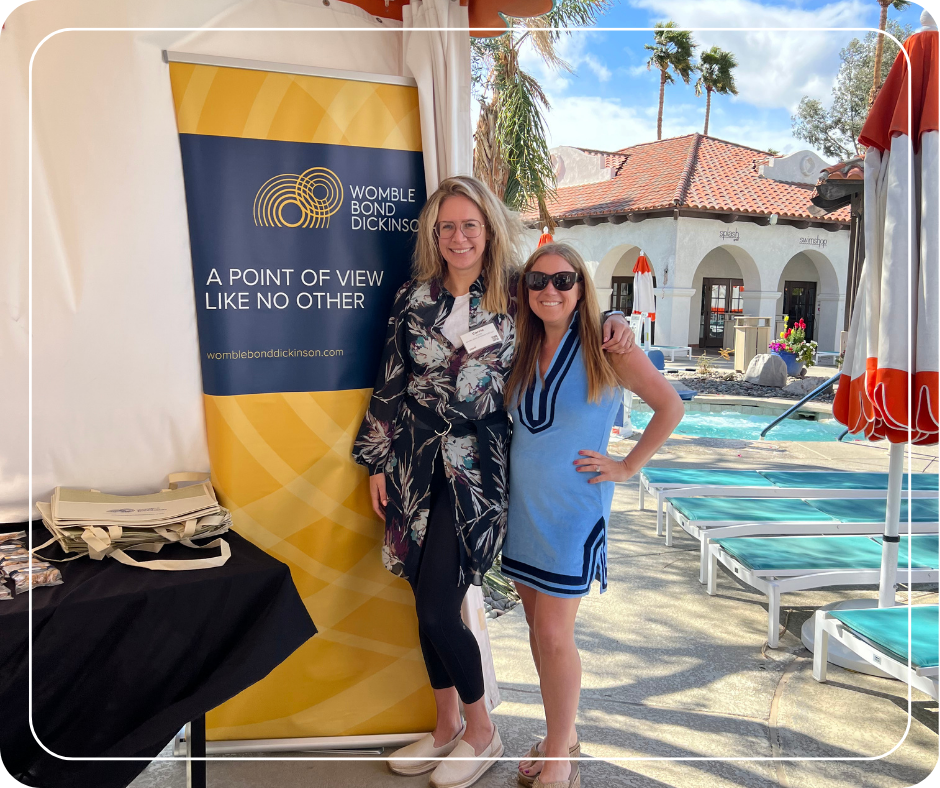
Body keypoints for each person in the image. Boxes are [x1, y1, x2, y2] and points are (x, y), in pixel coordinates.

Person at [352, 177, 634, 788]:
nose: (459, 238)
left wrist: (614, 317)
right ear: (434, 235)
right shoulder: (412, 299)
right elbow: (391, 379)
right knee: (422, 598)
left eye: (470, 226)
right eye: (447, 227)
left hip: (477, 470)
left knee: (439, 606)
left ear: (489, 232)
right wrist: (376, 460)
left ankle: (482, 731)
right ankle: (446, 724)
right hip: (413, 462)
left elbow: (569, 299)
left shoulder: (516, 293)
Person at [501, 243, 683, 788]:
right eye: (537, 280)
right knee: (539, 634)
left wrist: (627, 466)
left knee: (554, 634)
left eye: (563, 280)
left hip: (574, 514)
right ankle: (564, 736)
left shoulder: (607, 347)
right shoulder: (520, 344)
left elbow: (670, 405)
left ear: (581, 287)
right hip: (523, 512)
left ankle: (560, 756)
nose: (549, 290)